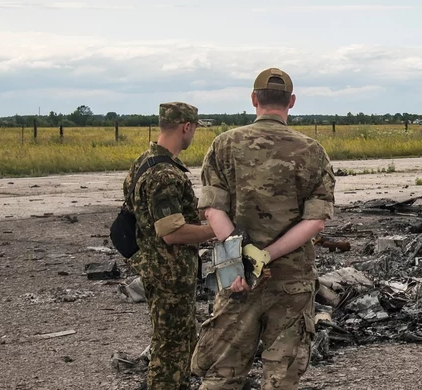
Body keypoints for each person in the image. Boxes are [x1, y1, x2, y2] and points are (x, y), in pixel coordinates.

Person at [191, 68, 335, 390]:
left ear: (254, 99)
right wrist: (265, 255)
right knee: (281, 378)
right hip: (291, 279)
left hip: (235, 274)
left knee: (221, 373)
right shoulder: (311, 151)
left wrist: (238, 258)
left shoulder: (223, 145)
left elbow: (213, 209)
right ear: (292, 102)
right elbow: (315, 221)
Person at [123, 101, 217, 390]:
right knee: (170, 350)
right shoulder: (165, 174)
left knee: (182, 340)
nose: (194, 135)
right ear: (185, 127)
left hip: (158, 269)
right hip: (169, 274)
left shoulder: (144, 162)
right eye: (194, 129)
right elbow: (171, 232)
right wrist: (214, 230)